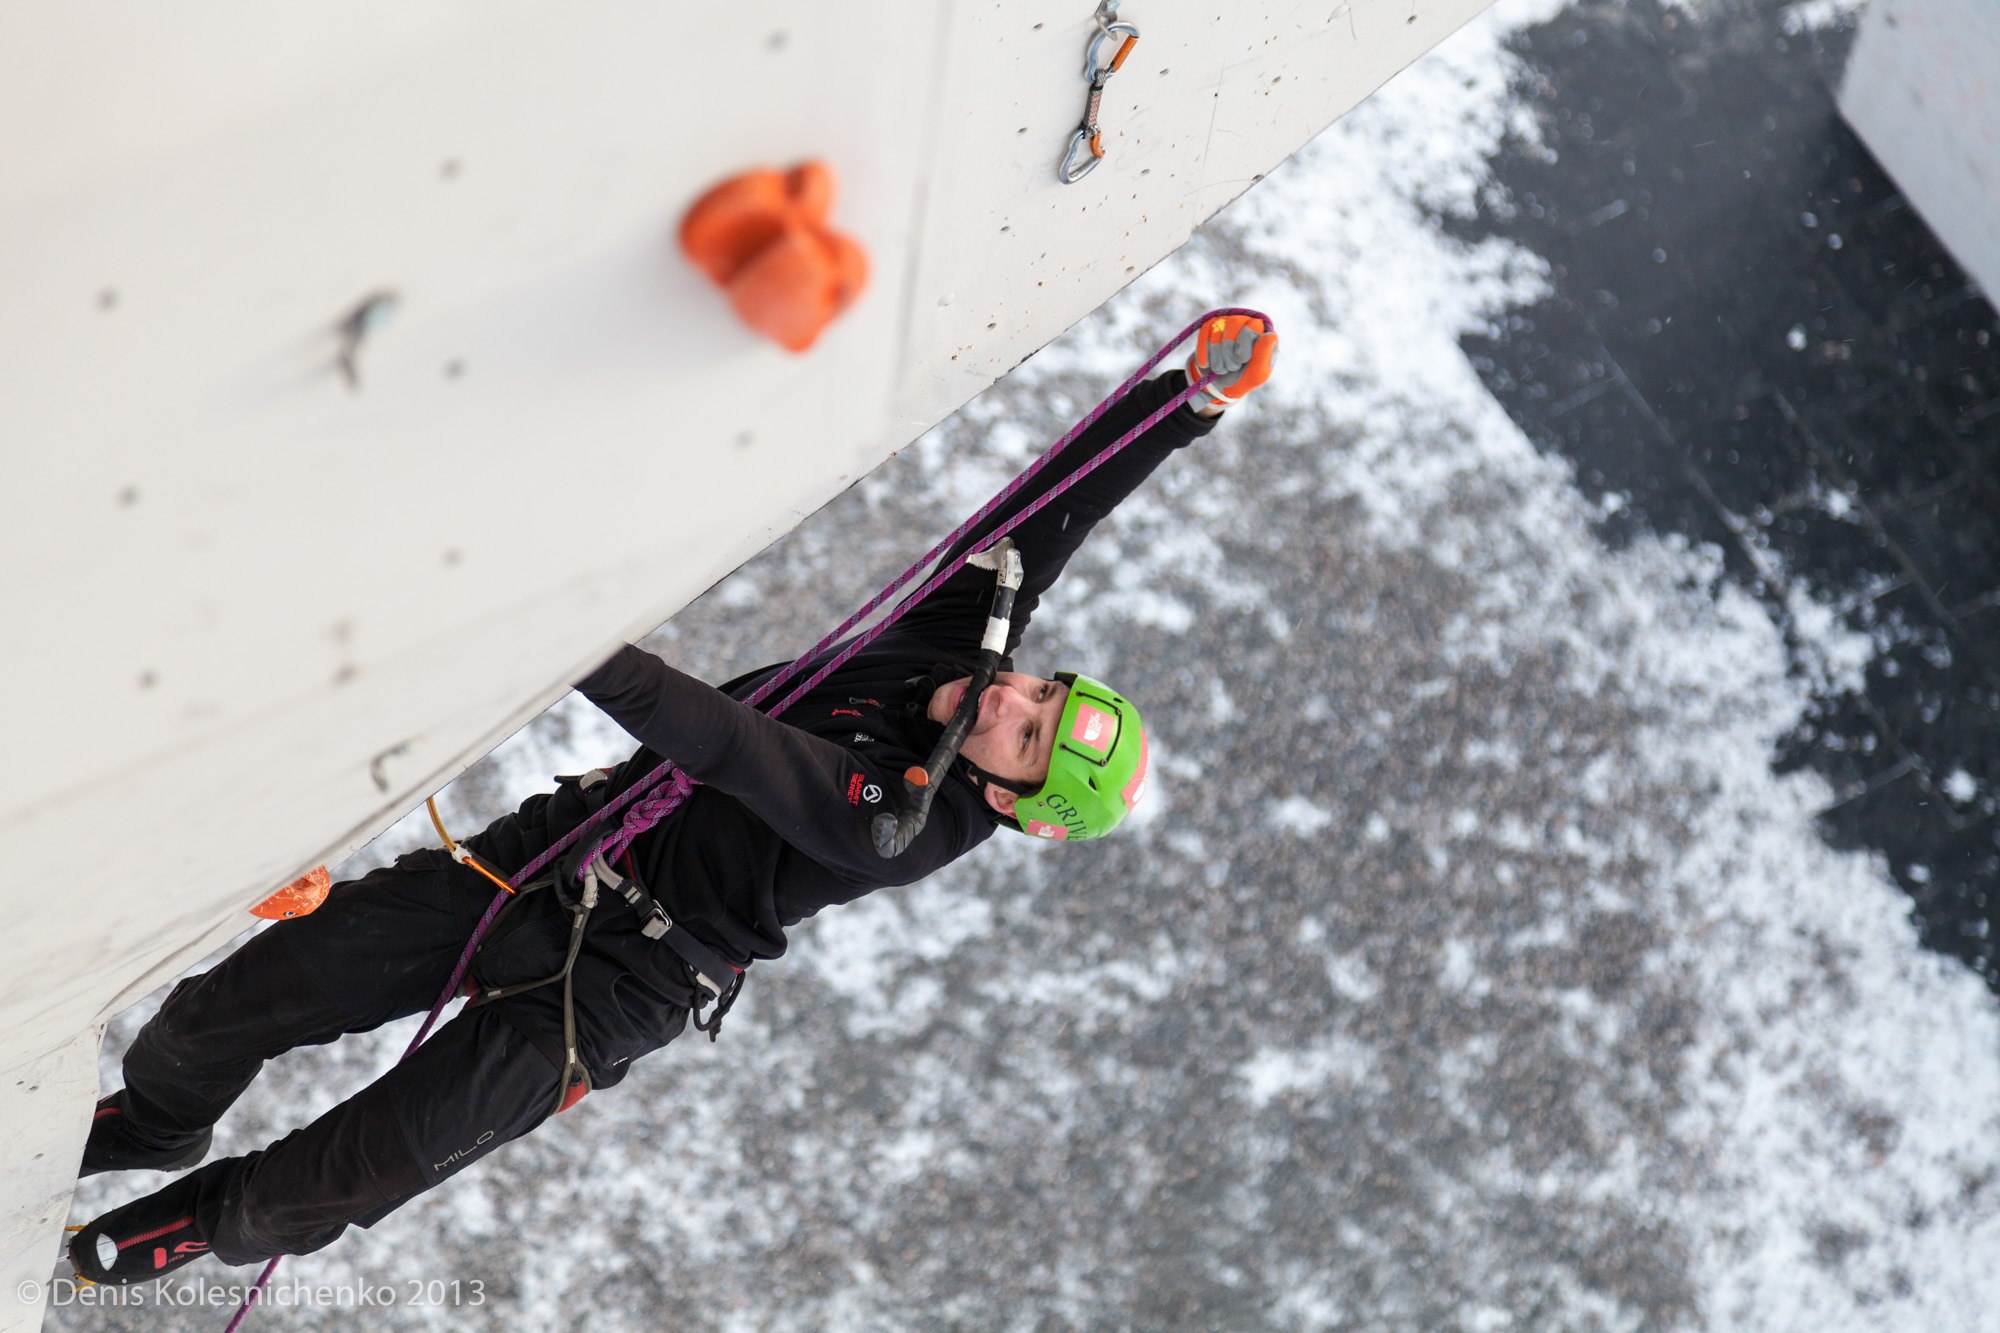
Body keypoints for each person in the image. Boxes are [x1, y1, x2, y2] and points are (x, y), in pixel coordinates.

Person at [67, 315, 1279, 1285]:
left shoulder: (899, 823)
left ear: (1009, 804)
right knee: (236, 1002)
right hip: (554, 860)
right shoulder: (959, 649)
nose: (1008, 697)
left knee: (347, 1172)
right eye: (1039, 692)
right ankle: (165, 1115)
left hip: (623, 987)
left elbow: (731, 748)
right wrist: (1183, 405)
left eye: (1023, 736)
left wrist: (586, 647)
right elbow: (1048, 516)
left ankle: (210, 1220)